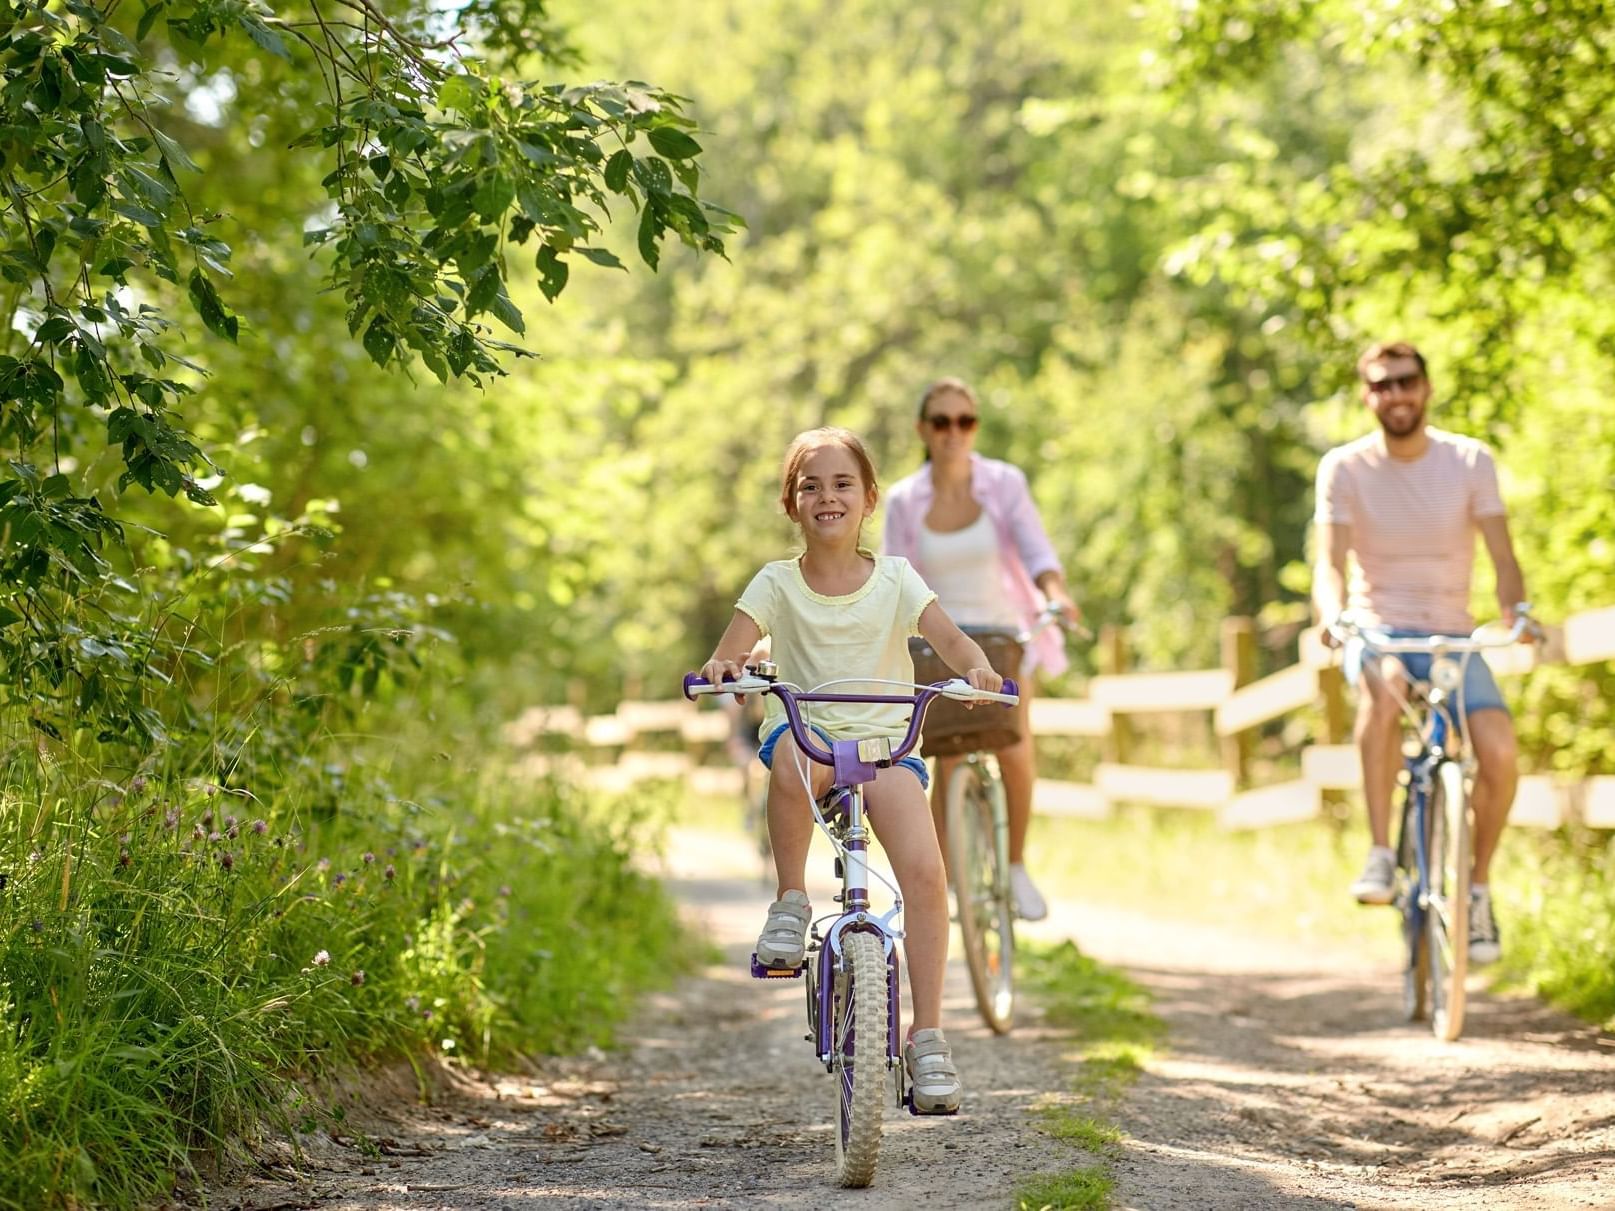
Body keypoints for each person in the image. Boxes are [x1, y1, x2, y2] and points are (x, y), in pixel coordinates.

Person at [700, 426, 1004, 1114]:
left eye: (842, 484)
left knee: (926, 875)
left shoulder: (896, 579)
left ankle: (927, 1036)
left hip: (885, 744)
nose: (826, 496)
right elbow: (734, 646)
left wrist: (976, 668)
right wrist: (725, 666)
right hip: (810, 734)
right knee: (786, 758)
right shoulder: (776, 582)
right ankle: (789, 901)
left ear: (868, 499)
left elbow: (948, 637)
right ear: (790, 504)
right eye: (810, 485)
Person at [1313, 341, 1530, 964]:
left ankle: (1479, 892)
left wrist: (1518, 613)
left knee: (1499, 750)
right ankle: (1381, 852)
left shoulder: (1469, 461)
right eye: (1381, 385)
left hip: (1453, 637)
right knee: (1381, 692)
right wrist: (1334, 617)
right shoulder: (1345, 467)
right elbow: (1330, 565)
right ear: (1366, 396)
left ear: (1427, 388)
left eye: (1406, 382)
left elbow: (1504, 559)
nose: (1396, 395)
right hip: (1379, 629)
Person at [881, 378, 1078, 922]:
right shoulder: (903, 499)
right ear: (924, 430)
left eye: (964, 421)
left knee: (1012, 746)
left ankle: (1014, 867)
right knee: (944, 753)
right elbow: (894, 575)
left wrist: (1056, 595)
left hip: (1000, 634)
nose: (953, 432)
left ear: (975, 428)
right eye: (941, 422)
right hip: (936, 639)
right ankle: (945, 884)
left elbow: (1037, 549)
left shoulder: (1004, 484)